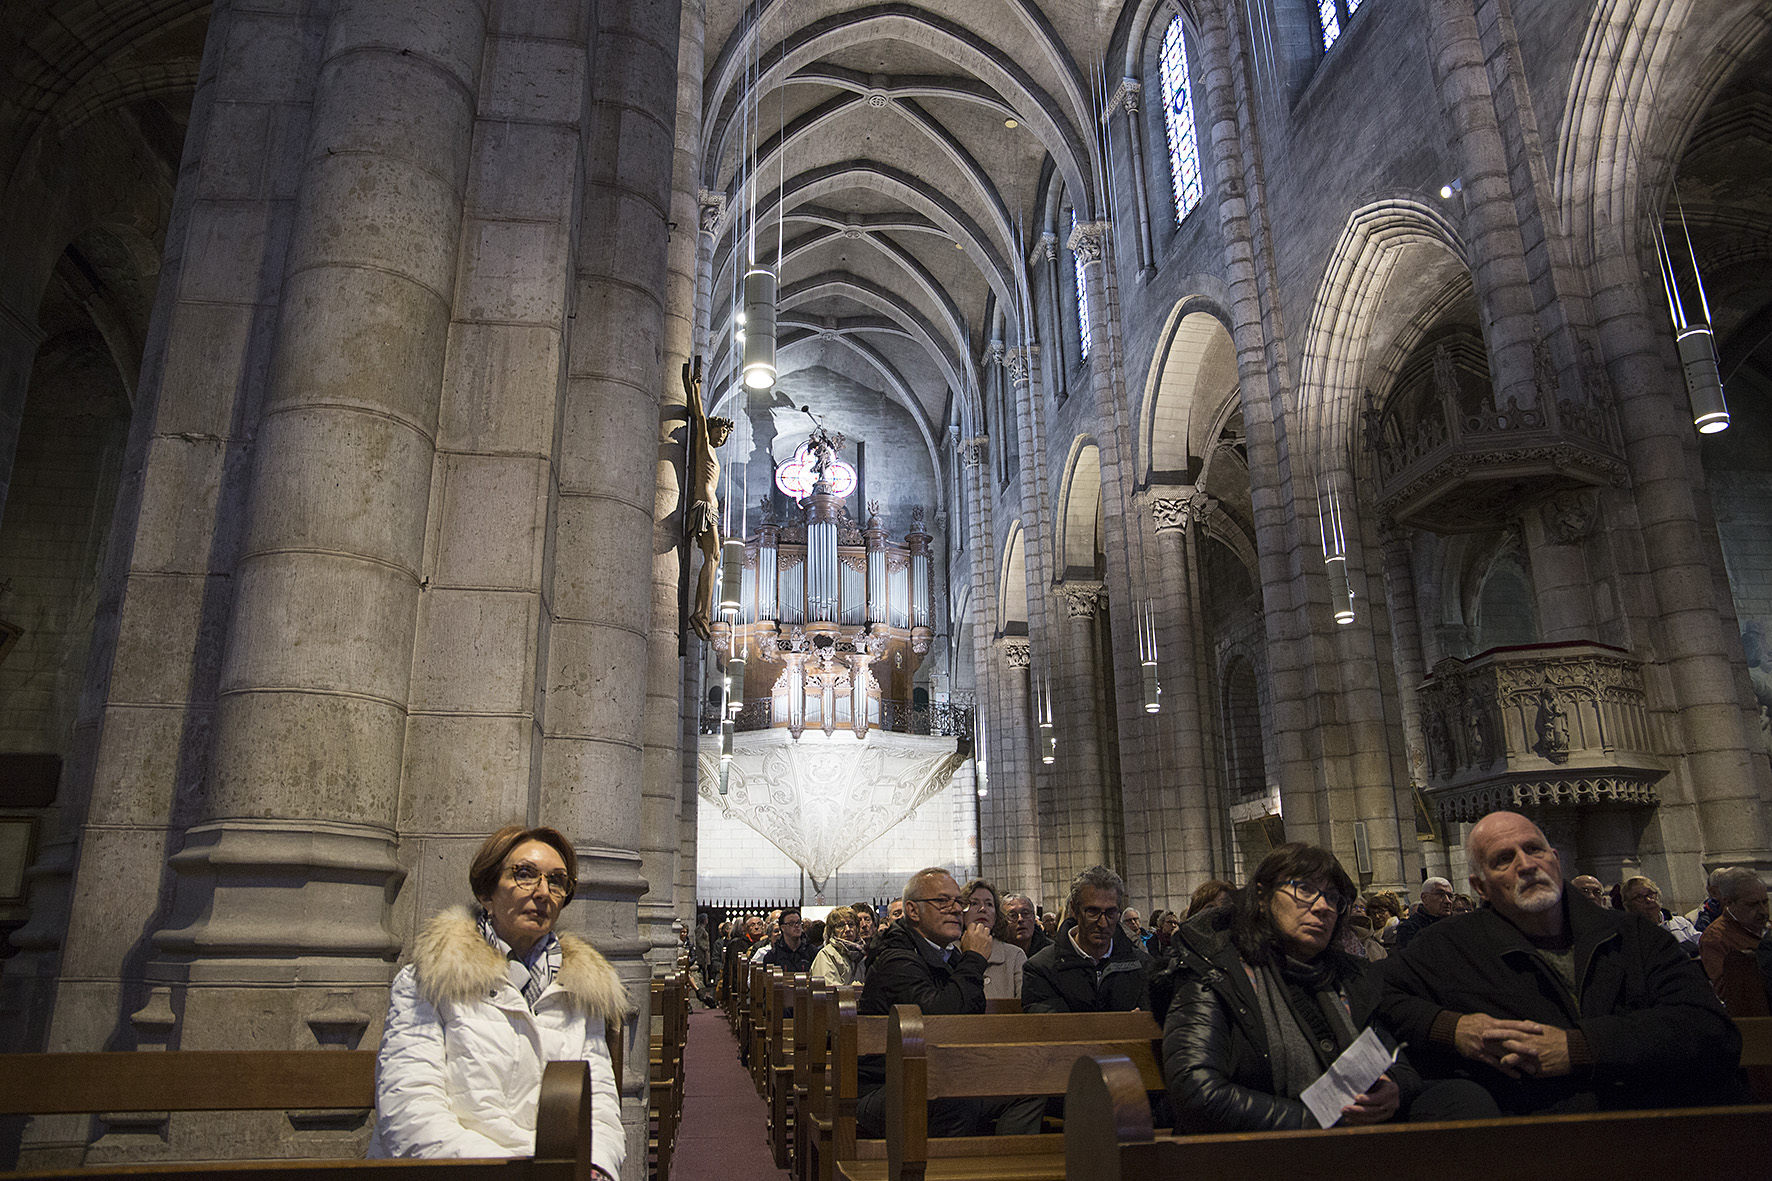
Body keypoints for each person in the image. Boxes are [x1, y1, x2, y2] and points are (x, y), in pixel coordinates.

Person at [1379, 811, 1742, 1114]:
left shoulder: (1635, 936)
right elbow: (1382, 998)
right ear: (1480, 886)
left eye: (1534, 849)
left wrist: (1579, 1048)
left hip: (1651, 1125)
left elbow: (1708, 1029)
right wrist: (1453, 1028)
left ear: (1554, 858)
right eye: (1504, 859)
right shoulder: (1448, 946)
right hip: (1536, 1142)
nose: (1526, 865)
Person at [1156, 844, 1484, 1133]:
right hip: (1258, 1153)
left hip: (1350, 1142)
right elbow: (1196, 1092)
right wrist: (1318, 1121)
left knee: (1462, 1099)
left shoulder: (1347, 978)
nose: (1323, 906)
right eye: (1305, 890)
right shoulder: (1217, 970)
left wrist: (1394, 1088)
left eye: (1332, 897)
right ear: (1261, 896)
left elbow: (1391, 1057)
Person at [370, 825, 627, 1179]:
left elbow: (599, 1104)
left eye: (557, 881)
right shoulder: (430, 981)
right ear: (487, 890)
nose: (543, 892)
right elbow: (410, 1111)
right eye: (524, 874)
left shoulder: (581, 991)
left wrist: (597, 1167)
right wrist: (513, 1173)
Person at [856, 868, 1043, 1138]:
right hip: (885, 1086)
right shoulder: (896, 959)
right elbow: (938, 1022)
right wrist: (975, 959)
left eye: (958, 902)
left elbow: (971, 1015)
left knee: (1028, 1084)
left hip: (936, 1074)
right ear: (913, 910)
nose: (956, 909)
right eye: (943, 901)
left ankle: (1003, 1163)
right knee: (953, 1091)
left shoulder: (945, 956)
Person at [1023, 865, 1152, 1014]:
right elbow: (1051, 1028)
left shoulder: (1142, 966)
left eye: (1111, 912)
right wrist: (1120, 1026)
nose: (1103, 923)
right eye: (1092, 911)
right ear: (1074, 910)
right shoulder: (1041, 969)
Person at [1698, 866, 1769, 1017]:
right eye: (1753, 904)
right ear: (1729, 903)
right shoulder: (1716, 937)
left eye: (1765, 902)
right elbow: (1729, 993)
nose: (1763, 911)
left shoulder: (1768, 926)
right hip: (1755, 1020)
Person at [960, 878, 1026, 999]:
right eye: (974, 903)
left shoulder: (1014, 955)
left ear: (996, 915)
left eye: (989, 904)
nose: (983, 909)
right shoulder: (948, 953)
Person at [1620, 875, 1700, 956]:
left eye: (1650, 893)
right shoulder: (1630, 935)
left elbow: (1703, 947)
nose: (1648, 900)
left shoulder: (1681, 923)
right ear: (1629, 905)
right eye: (1639, 897)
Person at [811, 906, 868, 987]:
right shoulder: (826, 955)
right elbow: (830, 991)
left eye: (851, 924)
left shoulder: (862, 953)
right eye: (840, 925)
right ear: (832, 931)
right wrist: (856, 987)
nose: (848, 929)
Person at [1392, 877, 1453, 950]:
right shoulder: (1410, 928)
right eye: (1440, 894)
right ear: (1424, 898)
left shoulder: (1456, 924)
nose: (1448, 901)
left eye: (1450, 896)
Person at [762, 909, 816, 973]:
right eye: (791, 923)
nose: (796, 926)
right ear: (782, 927)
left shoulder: (812, 951)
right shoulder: (773, 955)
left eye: (798, 922)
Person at [1001, 892, 1051, 958]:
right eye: (1012, 915)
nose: (1020, 919)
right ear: (1002, 921)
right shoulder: (995, 952)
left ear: (1033, 917)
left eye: (1025, 913)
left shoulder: (1051, 951)